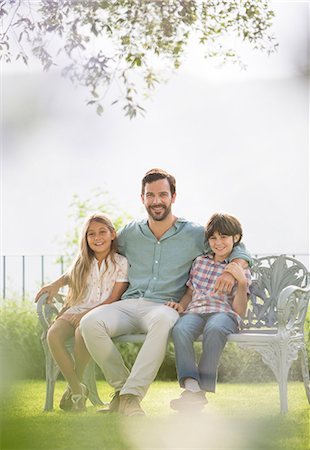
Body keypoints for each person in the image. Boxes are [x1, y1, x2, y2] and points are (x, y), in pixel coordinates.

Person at [78, 169, 252, 416]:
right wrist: (61, 283)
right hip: (129, 304)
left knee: (163, 320)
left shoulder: (193, 234)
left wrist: (231, 271)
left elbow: (236, 245)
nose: (156, 201)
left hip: (165, 307)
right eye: (150, 195)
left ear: (173, 196)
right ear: (142, 198)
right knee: (90, 323)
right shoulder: (129, 233)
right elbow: (95, 250)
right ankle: (123, 390)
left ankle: (131, 396)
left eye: (162, 194)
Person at [35, 213, 128, 412]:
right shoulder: (83, 262)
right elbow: (69, 276)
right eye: (91, 234)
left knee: (81, 331)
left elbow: (114, 298)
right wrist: (55, 284)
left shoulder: (121, 262)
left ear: (112, 234)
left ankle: (75, 389)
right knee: (53, 334)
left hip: (103, 312)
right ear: (86, 239)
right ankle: (78, 388)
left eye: (102, 232)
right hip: (77, 308)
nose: (97, 237)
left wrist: (87, 314)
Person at [167, 213, 251, 412]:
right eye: (213, 238)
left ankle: (200, 390)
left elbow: (240, 311)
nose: (218, 243)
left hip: (224, 314)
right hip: (195, 311)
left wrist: (242, 283)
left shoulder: (238, 267)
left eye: (223, 237)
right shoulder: (200, 262)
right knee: (180, 329)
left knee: (215, 328)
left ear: (236, 238)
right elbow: (189, 293)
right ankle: (191, 386)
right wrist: (181, 306)